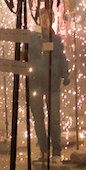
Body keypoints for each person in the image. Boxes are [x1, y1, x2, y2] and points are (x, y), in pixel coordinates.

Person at [27, 8, 68, 160]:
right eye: (42, 17)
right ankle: (44, 150)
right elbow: (26, 55)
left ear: (52, 20)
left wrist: (65, 74)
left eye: (48, 17)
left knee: (54, 118)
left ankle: (56, 151)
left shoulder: (55, 39)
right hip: (35, 82)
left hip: (52, 83)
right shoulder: (32, 38)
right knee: (38, 118)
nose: (45, 20)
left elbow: (61, 58)